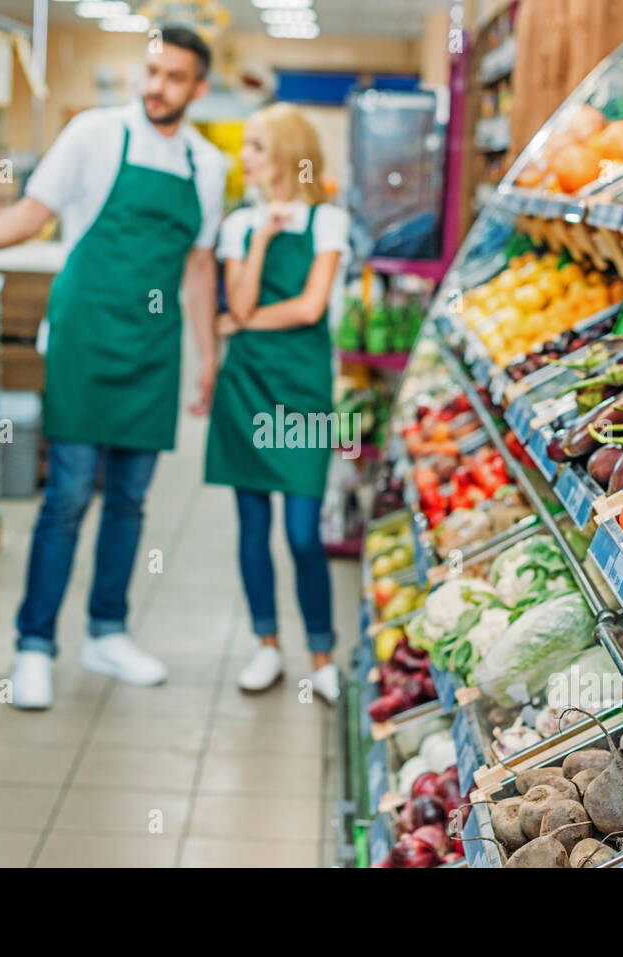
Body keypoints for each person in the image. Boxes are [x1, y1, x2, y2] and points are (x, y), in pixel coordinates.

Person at [0, 26, 228, 709]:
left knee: (129, 500)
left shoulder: (205, 168)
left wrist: (208, 358)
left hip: (153, 353)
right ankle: (34, 644)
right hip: (86, 340)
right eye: (152, 71)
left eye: (175, 77)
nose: (157, 86)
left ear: (198, 89)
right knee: (65, 498)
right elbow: (32, 215)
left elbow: (200, 266)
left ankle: (107, 629)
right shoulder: (95, 134)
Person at [204, 104, 350, 702]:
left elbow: (310, 308)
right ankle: (266, 645)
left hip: (303, 391)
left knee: (300, 532)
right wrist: (262, 236)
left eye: (257, 146)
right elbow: (235, 304)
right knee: (251, 526)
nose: (247, 158)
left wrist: (239, 325)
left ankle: (322, 653)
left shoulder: (328, 222)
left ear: (290, 152)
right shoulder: (239, 225)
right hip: (246, 388)